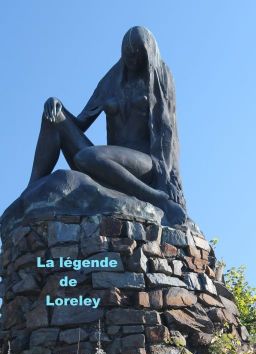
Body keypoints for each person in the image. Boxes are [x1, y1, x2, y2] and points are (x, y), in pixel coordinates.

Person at [28, 26, 187, 226]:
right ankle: (29, 194)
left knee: (89, 156)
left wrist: (169, 179)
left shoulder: (160, 76)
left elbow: (167, 132)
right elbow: (82, 122)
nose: (132, 55)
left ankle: (156, 198)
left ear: (148, 52)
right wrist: (56, 103)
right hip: (107, 160)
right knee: (54, 118)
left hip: (146, 163)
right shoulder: (112, 79)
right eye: (128, 51)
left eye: (138, 51)